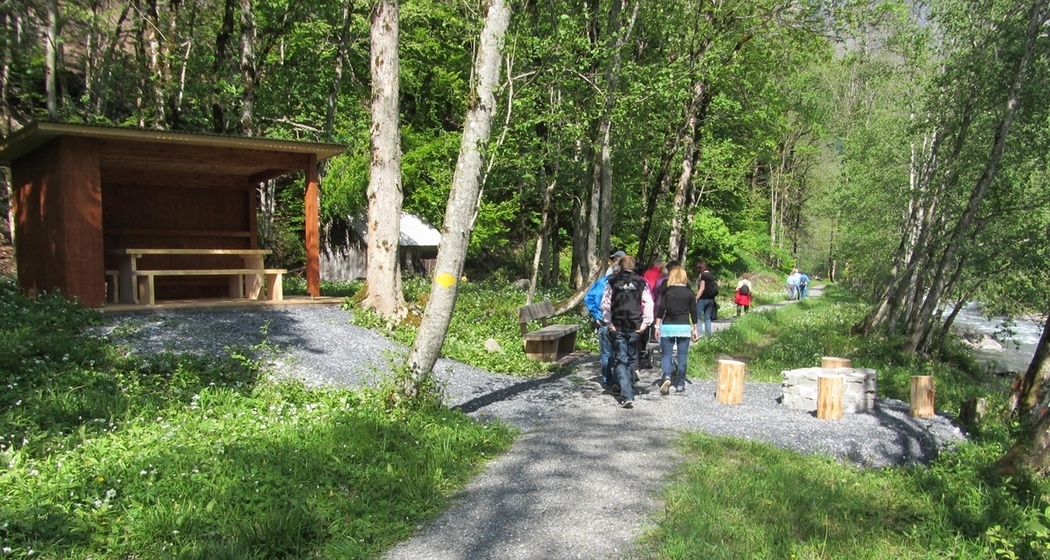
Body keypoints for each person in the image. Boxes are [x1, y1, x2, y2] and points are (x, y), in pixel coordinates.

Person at [601, 255, 653, 409]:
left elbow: (605, 304)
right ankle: (628, 388)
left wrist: (609, 323)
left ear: (621, 266)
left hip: (618, 325)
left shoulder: (611, 281)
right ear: (634, 266)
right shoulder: (642, 282)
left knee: (620, 360)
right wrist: (645, 324)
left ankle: (627, 394)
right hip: (635, 325)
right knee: (631, 359)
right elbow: (649, 303)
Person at [654, 265, 699, 394]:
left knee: (667, 355)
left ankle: (667, 376)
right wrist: (695, 329)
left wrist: (657, 326)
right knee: (682, 357)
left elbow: (661, 309)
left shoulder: (667, 291)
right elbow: (694, 312)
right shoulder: (690, 293)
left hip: (668, 326)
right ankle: (680, 384)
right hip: (684, 327)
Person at [584, 252, 624, 386]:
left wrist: (596, 315)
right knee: (620, 352)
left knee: (606, 354)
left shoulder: (600, 282)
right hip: (620, 323)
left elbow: (588, 298)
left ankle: (607, 380)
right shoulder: (624, 284)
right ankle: (619, 381)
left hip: (603, 322)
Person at [693, 260, 717, 336]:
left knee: (698, 316)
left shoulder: (703, 275)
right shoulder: (711, 275)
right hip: (711, 299)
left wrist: (696, 298)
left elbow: (702, 288)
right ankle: (708, 335)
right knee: (707, 317)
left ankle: (699, 333)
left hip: (703, 299)